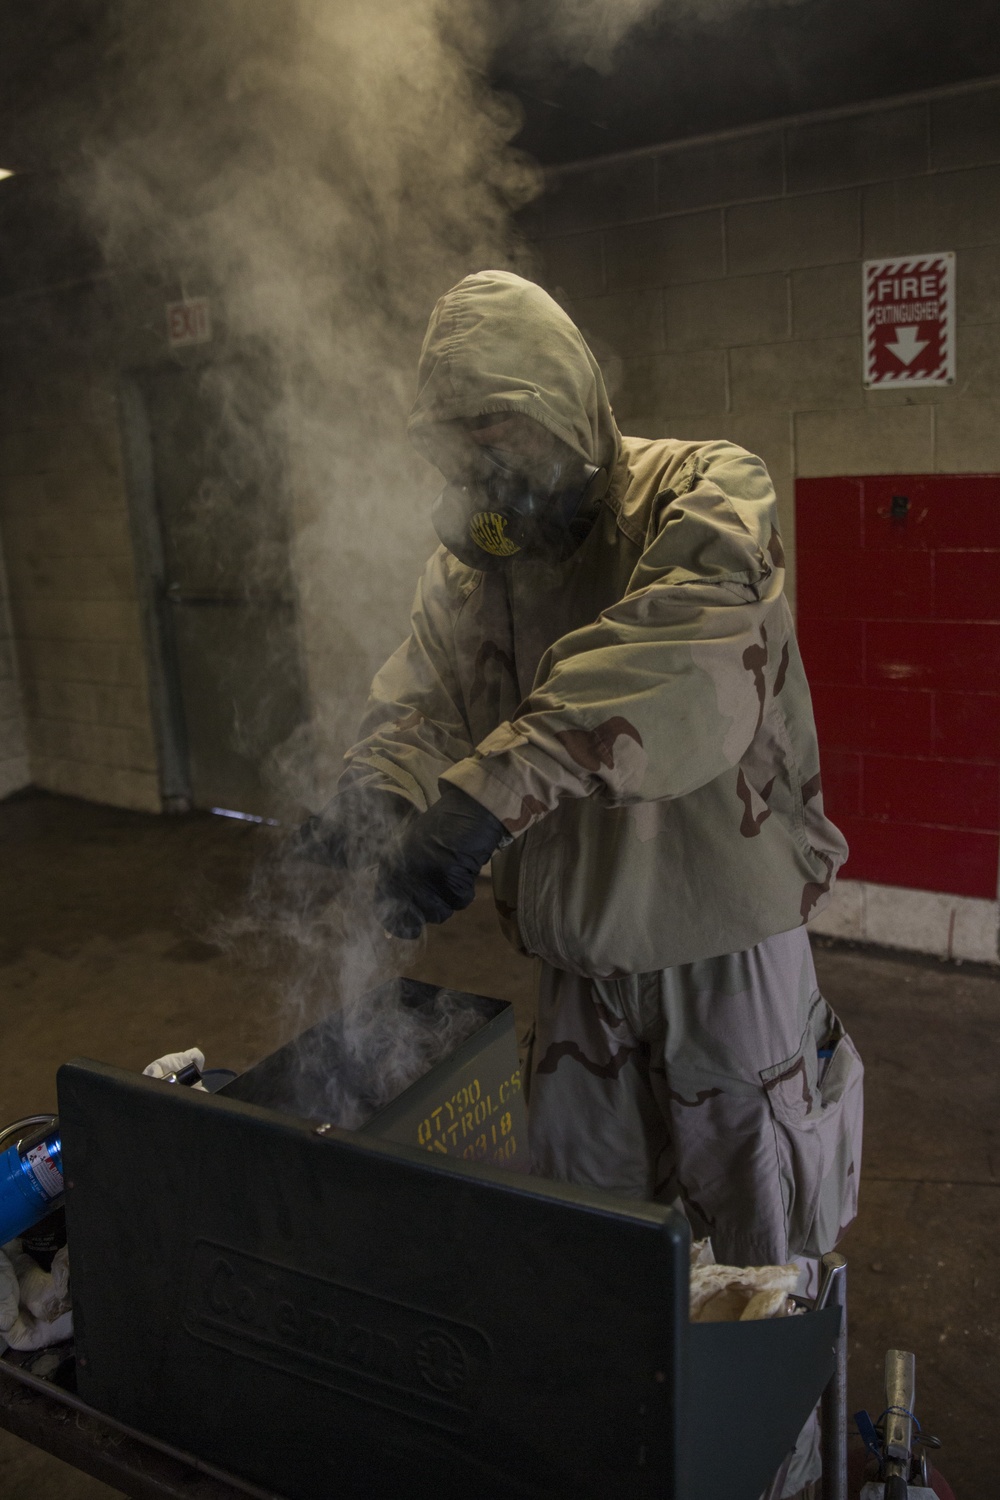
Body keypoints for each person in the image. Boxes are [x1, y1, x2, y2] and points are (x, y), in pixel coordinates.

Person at [300, 266, 863, 1284]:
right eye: (453, 431)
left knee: (756, 1254)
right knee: (591, 1244)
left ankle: (768, 1446)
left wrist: (487, 794)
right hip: (577, 963)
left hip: (718, 954)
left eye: (497, 421)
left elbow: (679, 657)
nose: (477, 456)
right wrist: (374, 790)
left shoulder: (703, 490)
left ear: (562, 397)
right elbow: (425, 696)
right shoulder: (475, 564)